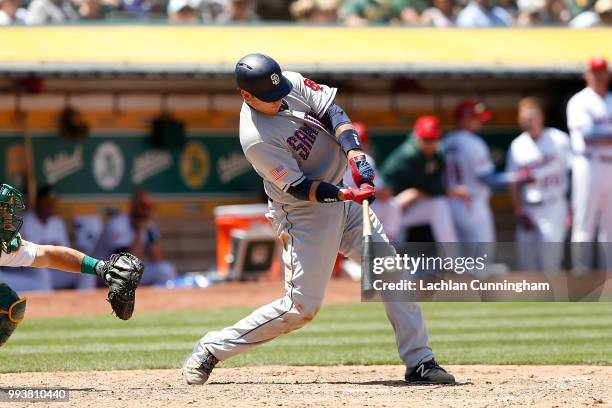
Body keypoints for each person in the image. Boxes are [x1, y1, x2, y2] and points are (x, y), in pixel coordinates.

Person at [182, 53, 455, 386]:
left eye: (279, 89)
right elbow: (298, 187)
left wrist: (354, 153)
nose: (278, 97)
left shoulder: (288, 82)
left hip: (341, 193)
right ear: (246, 96)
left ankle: (420, 361)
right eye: (269, 97)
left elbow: (333, 111)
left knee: (389, 269)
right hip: (304, 214)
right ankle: (212, 348)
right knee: (300, 308)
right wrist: (344, 195)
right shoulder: (256, 138)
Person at [0, 183, 144, 347]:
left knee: (7, 303)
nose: (7, 218)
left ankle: (85, 309)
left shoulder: (5, 246)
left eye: (7, 211)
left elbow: (50, 255)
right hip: (19, 274)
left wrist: (100, 267)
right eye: (2, 213)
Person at [506, 97, 571, 271]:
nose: (529, 122)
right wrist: (518, 209)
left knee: (550, 262)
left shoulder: (559, 139)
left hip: (553, 205)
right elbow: (512, 183)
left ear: (541, 117)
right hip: (529, 207)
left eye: (533, 117)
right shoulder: (517, 145)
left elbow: (573, 172)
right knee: (526, 262)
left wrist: (572, 207)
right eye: (525, 119)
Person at [380, 115, 466, 243]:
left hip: (411, 206)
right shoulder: (408, 155)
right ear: (416, 137)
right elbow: (384, 189)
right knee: (390, 242)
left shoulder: (438, 153)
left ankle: (451, 260)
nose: (429, 143)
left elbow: (433, 187)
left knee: (439, 205)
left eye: (433, 139)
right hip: (389, 207)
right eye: (425, 139)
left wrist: (416, 193)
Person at [2, 185, 96, 291]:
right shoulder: (26, 221)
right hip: (28, 271)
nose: (51, 205)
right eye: (47, 201)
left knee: (87, 272)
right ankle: (49, 305)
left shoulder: (57, 222)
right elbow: (25, 257)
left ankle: (82, 305)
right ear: (38, 202)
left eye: (54, 201)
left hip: (52, 269)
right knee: (42, 273)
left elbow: (63, 254)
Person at [567, 57, 612, 274]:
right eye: (594, 71)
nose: (598, 75)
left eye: (601, 71)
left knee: (610, 228)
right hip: (588, 164)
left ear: (607, 74)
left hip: (609, 166)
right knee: (584, 224)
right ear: (586, 75)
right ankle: (581, 276)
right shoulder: (580, 101)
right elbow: (588, 134)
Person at [95, 189, 176, 286]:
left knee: (166, 269)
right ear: (133, 205)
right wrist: (141, 232)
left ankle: (158, 300)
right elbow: (126, 263)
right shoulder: (117, 223)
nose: (146, 211)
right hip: (105, 273)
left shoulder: (148, 225)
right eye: (143, 206)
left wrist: (149, 233)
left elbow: (159, 260)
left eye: (150, 207)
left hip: (128, 274)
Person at [342, 122, 402, 241]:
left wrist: (384, 192)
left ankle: (387, 241)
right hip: (342, 203)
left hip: (363, 202)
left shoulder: (366, 159)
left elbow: (378, 190)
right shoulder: (339, 159)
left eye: (361, 142)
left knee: (392, 204)